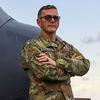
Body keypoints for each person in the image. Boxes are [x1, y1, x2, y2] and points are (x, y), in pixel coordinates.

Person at [21, 5, 90, 100]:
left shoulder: (66, 47)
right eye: (48, 17)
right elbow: (46, 72)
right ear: (39, 22)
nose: (52, 20)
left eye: (56, 18)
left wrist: (57, 63)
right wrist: (72, 70)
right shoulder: (32, 46)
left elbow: (85, 66)